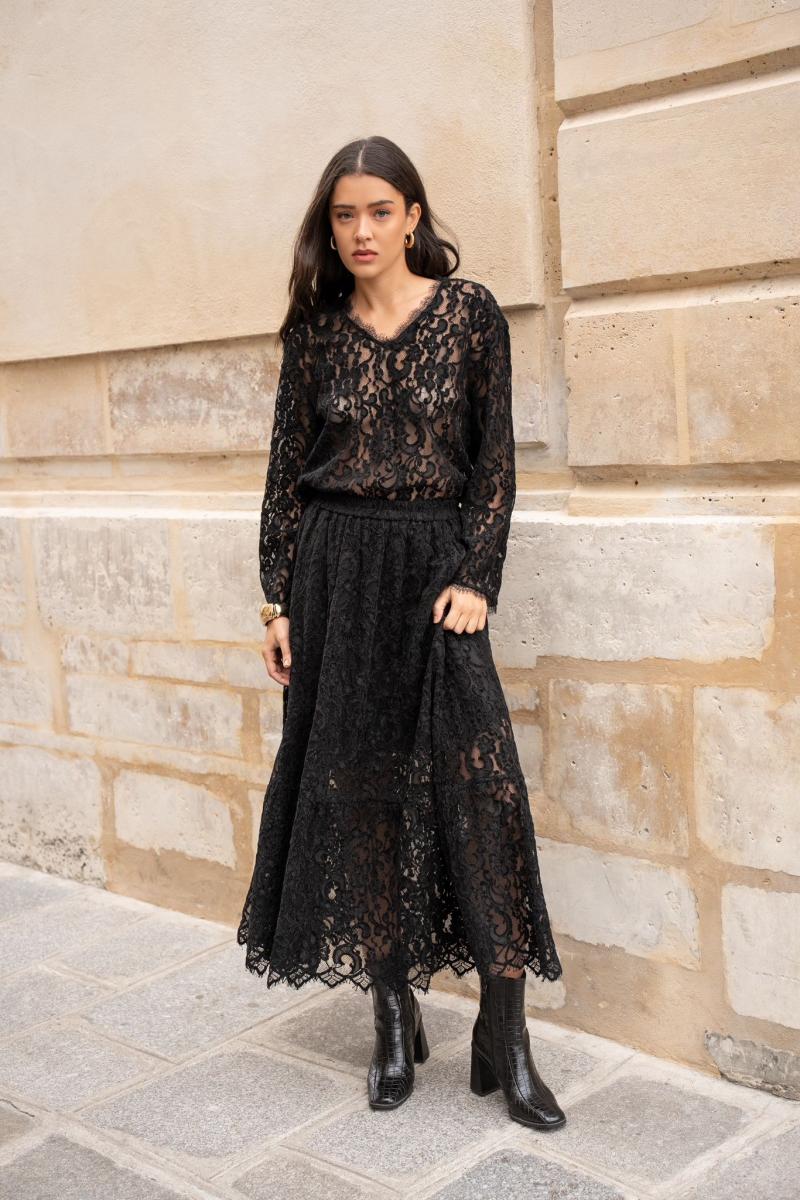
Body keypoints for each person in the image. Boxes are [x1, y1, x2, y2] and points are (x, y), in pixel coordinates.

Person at [238, 135, 566, 1131]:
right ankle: (392, 1014)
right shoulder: (314, 335)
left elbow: (495, 463)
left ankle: (503, 1030)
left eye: (380, 211)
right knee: (361, 793)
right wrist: (276, 601)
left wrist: (476, 576)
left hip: (435, 578)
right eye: (344, 215)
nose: (362, 231)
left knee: (482, 793)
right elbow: (284, 476)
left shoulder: (469, 315)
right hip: (334, 577)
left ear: (413, 216)